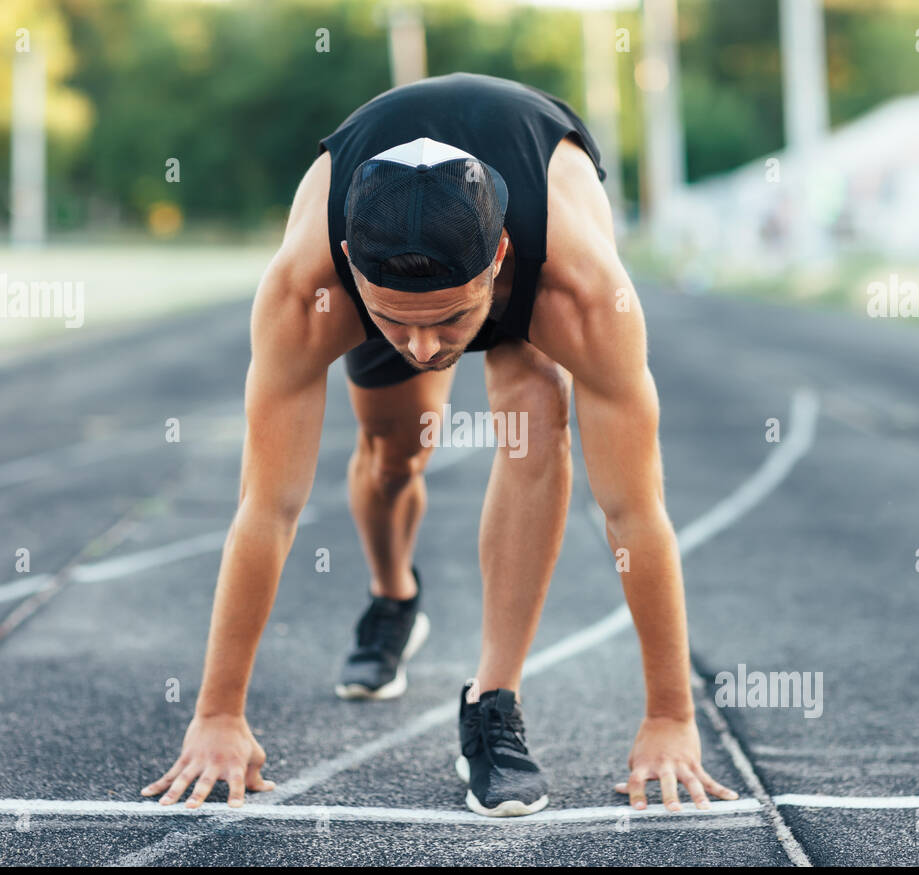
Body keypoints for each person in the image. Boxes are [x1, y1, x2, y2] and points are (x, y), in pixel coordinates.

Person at [142, 73, 738, 817]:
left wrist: (671, 718)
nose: (423, 348)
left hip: (535, 243)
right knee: (394, 456)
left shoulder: (580, 290)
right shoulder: (308, 287)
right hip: (410, 266)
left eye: (448, 323)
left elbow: (634, 512)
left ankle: (493, 701)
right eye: (397, 323)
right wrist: (218, 715)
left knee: (533, 409)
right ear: (352, 263)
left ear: (497, 261)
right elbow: (267, 508)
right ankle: (394, 597)